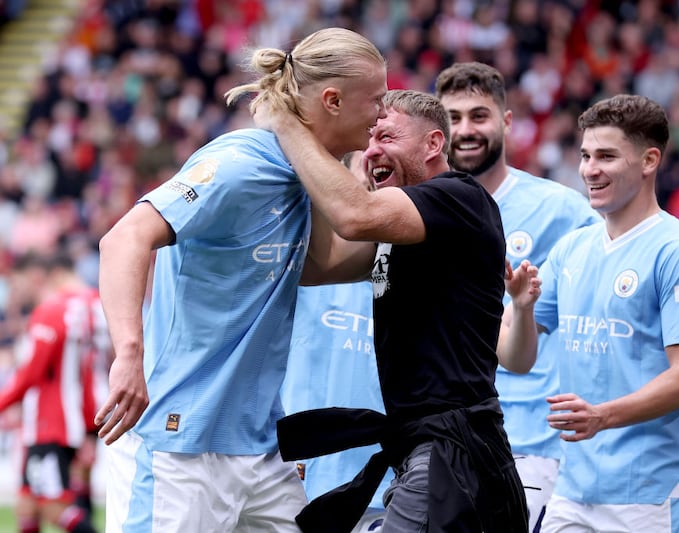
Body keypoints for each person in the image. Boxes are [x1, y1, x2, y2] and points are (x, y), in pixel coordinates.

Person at [93, 27, 389, 532]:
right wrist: (129, 352)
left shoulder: (307, 178)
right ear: (333, 100)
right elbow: (122, 239)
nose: (382, 115)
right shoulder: (238, 165)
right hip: (180, 440)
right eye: (377, 100)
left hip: (259, 446)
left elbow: (321, 267)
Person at [259, 89, 537, 532]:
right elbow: (318, 266)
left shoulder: (459, 196)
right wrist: (304, 167)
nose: (370, 151)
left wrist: (293, 127)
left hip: (453, 454)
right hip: (432, 453)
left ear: (432, 145)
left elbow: (353, 216)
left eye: (386, 136)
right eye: (367, 141)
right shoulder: (403, 231)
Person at [532, 94, 679, 532]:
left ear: (649, 160)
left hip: (652, 493)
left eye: (606, 156)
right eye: (585, 155)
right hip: (574, 488)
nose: (589, 169)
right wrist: (521, 308)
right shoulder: (571, 248)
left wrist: (603, 417)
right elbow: (516, 356)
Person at [434, 61, 602, 532]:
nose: (465, 130)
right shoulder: (419, 206)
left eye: (479, 115)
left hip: (528, 437)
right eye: (453, 117)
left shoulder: (563, 211)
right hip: (443, 435)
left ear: (506, 121)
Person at [280, 150, 390, 533]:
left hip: (386, 483)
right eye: (363, 161)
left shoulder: (413, 263)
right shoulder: (307, 262)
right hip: (301, 478)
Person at [0, 251, 104, 533]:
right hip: (59, 419)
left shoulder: (50, 312)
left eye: (18, 284)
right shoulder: (75, 311)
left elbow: (31, 373)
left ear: (35, 277)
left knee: (54, 506)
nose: (17, 293)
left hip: (51, 425)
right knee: (27, 502)